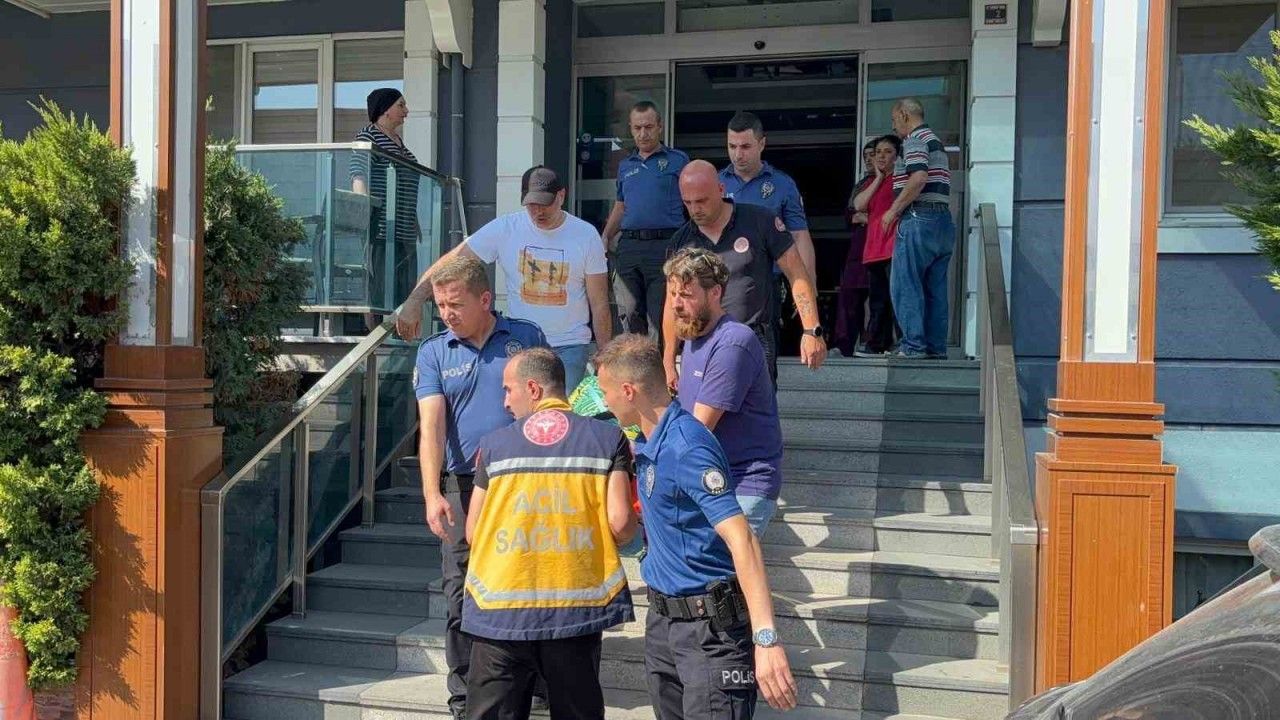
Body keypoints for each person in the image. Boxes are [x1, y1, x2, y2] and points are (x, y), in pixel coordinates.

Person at [593, 335, 798, 719]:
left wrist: (766, 639)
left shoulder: (687, 447)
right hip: (664, 625)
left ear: (628, 391)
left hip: (710, 632)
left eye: (605, 392)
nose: (604, 403)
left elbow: (742, 539)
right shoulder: (650, 442)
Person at [463, 347, 637, 720]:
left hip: (499, 610)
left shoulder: (493, 446)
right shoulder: (607, 439)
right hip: (573, 610)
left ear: (533, 388)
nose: (505, 402)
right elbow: (621, 524)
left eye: (508, 390)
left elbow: (474, 532)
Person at [413, 254, 549, 720]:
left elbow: (550, 406)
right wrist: (431, 493)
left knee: (529, 582)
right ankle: (463, 697)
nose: (446, 314)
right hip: (462, 486)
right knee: (459, 592)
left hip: (523, 483)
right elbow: (431, 427)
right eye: (440, 305)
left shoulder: (526, 337)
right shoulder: (434, 351)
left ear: (485, 298)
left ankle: (535, 685)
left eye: (455, 304)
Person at [398, 165, 612, 390]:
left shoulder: (585, 235)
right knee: (515, 409)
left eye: (544, 203)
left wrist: (605, 360)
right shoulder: (507, 228)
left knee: (558, 411)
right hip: (521, 343)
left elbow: (599, 303)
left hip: (569, 346)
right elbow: (452, 261)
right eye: (531, 205)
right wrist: (414, 300)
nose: (538, 211)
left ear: (561, 196)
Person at [664, 160, 826, 388]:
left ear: (721, 190)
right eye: (687, 203)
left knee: (755, 408)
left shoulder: (759, 221)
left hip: (752, 337)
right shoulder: (681, 240)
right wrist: (669, 358)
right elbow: (673, 302)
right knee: (701, 409)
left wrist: (811, 329)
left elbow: (796, 274)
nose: (695, 209)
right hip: (700, 340)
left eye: (701, 201)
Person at [665, 248, 784, 536]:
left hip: (742, 484)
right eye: (672, 294)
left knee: (724, 567)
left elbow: (698, 428)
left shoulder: (732, 342)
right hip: (710, 479)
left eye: (686, 295)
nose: (676, 304)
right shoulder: (694, 335)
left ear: (715, 292)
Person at [601, 101, 690, 342]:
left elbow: (691, 201)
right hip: (630, 246)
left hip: (665, 246)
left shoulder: (678, 160)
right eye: (637, 128)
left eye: (648, 127)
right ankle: (635, 362)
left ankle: (658, 365)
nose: (643, 133)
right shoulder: (625, 166)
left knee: (659, 314)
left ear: (660, 127)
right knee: (628, 311)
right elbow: (621, 206)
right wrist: (606, 235)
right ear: (631, 129)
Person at [883, 98, 954, 359]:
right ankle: (935, 349)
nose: (894, 127)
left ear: (904, 115)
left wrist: (893, 210)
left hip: (918, 217)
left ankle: (913, 347)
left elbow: (919, 176)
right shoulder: (936, 142)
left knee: (906, 284)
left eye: (894, 120)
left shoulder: (914, 140)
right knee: (935, 289)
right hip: (942, 221)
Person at [719, 111, 815, 280]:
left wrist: (809, 285)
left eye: (745, 147)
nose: (738, 155)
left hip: (770, 280)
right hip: (726, 281)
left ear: (762, 144)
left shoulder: (783, 184)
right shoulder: (715, 183)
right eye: (732, 146)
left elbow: (799, 236)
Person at [351, 88, 420, 314]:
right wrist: (363, 213)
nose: (406, 111)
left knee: (404, 292)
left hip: (404, 232)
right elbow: (358, 173)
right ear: (385, 109)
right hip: (382, 230)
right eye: (401, 105)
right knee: (381, 290)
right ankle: (376, 333)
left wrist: (414, 220)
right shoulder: (369, 136)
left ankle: (399, 333)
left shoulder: (398, 142)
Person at [852, 134, 904, 357]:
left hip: (893, 247)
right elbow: (858, 204)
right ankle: (876, 344)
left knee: (897, 298)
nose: (881, 156)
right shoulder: (873, 182)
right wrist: (878, 177)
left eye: (887, 152)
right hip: (873, 249)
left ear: (897, 156)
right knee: (877, 301)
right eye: (878, 152)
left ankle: (903, 342)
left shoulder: (900, 181)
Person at [833, 140, 876, 357]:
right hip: (858, 247)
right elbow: (850, 215)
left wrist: (870, 218)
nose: (869, 159)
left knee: (879, 299)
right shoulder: (861, 184)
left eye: (873, 154)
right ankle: (844, 345)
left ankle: (875, 344)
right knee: (849, 295)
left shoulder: (892, 181)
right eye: (865, 156)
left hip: (881, 246)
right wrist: (859, 217)